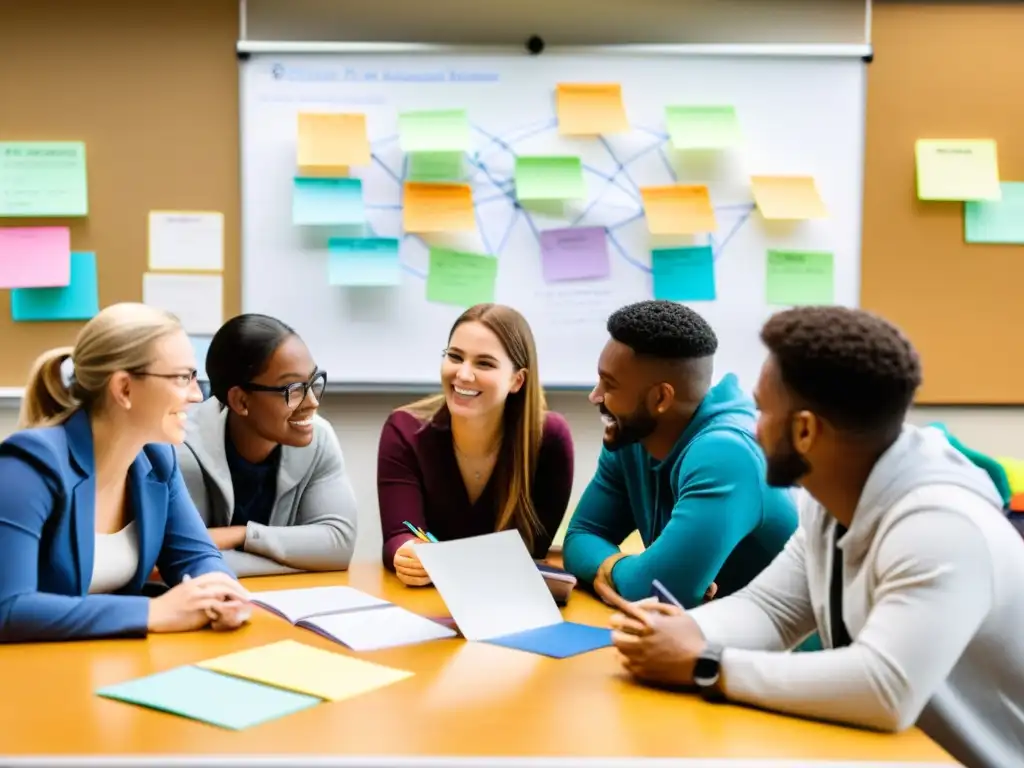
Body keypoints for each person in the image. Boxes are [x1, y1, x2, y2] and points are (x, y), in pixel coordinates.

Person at [608, 306, 1024, 768]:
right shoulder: (834, 497)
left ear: (805, 430)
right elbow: (773, 610)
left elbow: (885, 687)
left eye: (762, 410)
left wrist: (705, 663)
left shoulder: (942, 527)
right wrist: (687, 631)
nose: (752, 426)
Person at [0, 303, 250, 643]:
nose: (196, 395)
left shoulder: (157, 460)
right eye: (182, 378)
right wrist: (153, 613)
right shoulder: (29, 465)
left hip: (106, 663)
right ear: (124, 389)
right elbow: (8, 609)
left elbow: (197, 557)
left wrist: (220, 592)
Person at [563, 300, 798, 607]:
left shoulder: (728, 454)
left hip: (781, 651)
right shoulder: (632, 437)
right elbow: (581, 536)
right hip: (697, 637)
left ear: (660, 398)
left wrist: (632, 572)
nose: (595, 396)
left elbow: (657, 590)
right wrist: (619, 568)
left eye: (610, 384)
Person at [377, 303, 574, 586]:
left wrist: (449, 562)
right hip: (427, 600)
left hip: (504, 599)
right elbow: (399, 534)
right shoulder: (404, 430)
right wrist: (406, 551)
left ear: (517, 380)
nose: (464, 375)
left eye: (484, 363)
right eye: (455, 357)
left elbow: (532, 550)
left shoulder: (549, 439)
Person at [177, 314, 358, 578]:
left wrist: (241, 535)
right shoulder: (183, 449)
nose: (312, 402)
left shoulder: (318, 437)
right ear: (240, 401)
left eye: (313, 381)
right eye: (294, 388)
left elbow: (338, 546)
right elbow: (183, 560)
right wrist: (300, 558)